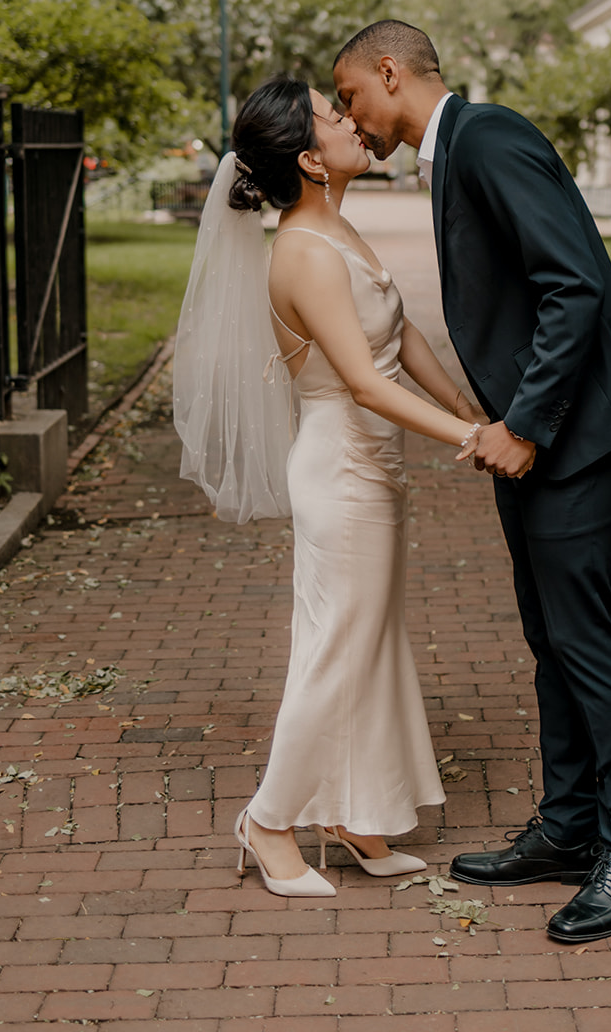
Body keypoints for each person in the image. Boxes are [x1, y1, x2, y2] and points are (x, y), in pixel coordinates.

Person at [333, 21, 611, 944]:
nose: (348, 117)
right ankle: (569, 827)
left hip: (573, 431)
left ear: (389, 72)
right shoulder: (454, 151)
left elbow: (574, 287)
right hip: (533, 432)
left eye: (350, 94)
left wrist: (523, 425)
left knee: (584, 638)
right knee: (548, 635)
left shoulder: (488, 137)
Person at [174, 76, 485, 896]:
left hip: (373, 470)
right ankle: (269, 821)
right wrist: (477, 439)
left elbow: (399, 331)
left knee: (369, 644)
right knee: (334, 652)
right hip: (342, 471)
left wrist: (465, 401)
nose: (352, 121)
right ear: (311, 158)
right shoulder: (304, 252)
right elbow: (365, 383)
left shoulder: (335, 226)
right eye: (332, 114)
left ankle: (351, 814)